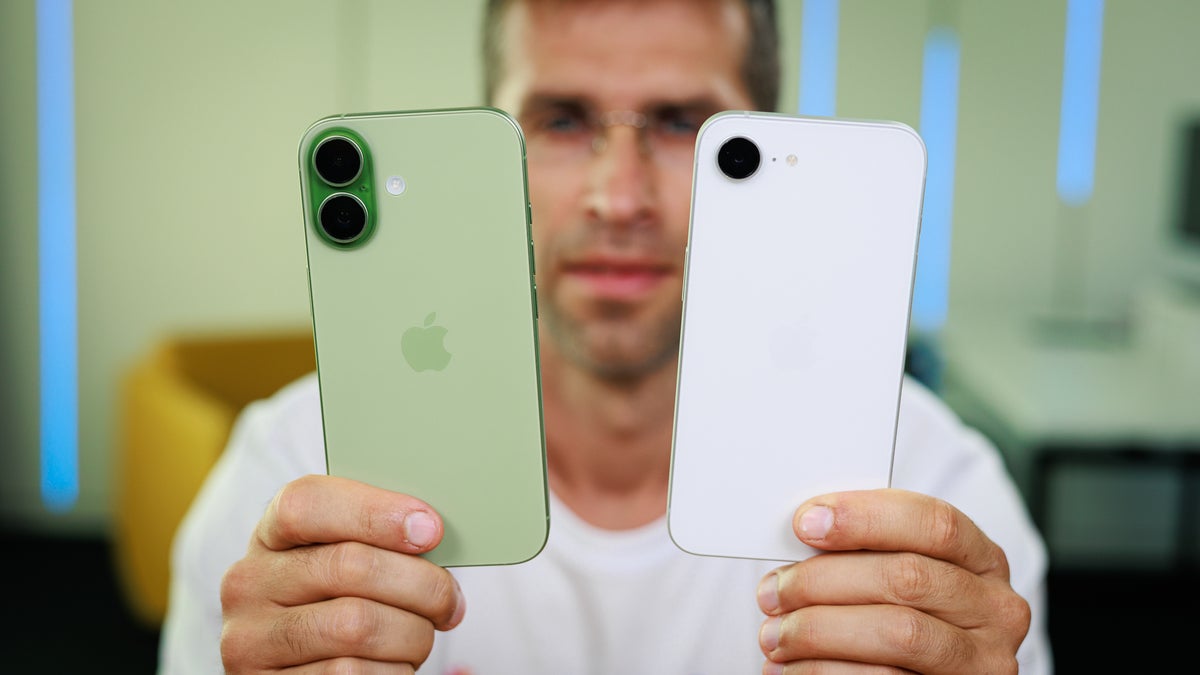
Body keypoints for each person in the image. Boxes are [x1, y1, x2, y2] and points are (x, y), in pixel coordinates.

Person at [159, 0, 1051, 672]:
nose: (617, 197)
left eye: (679, 125)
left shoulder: (931, 494)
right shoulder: (295, 479)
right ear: (490, 139)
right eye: (562, 120)